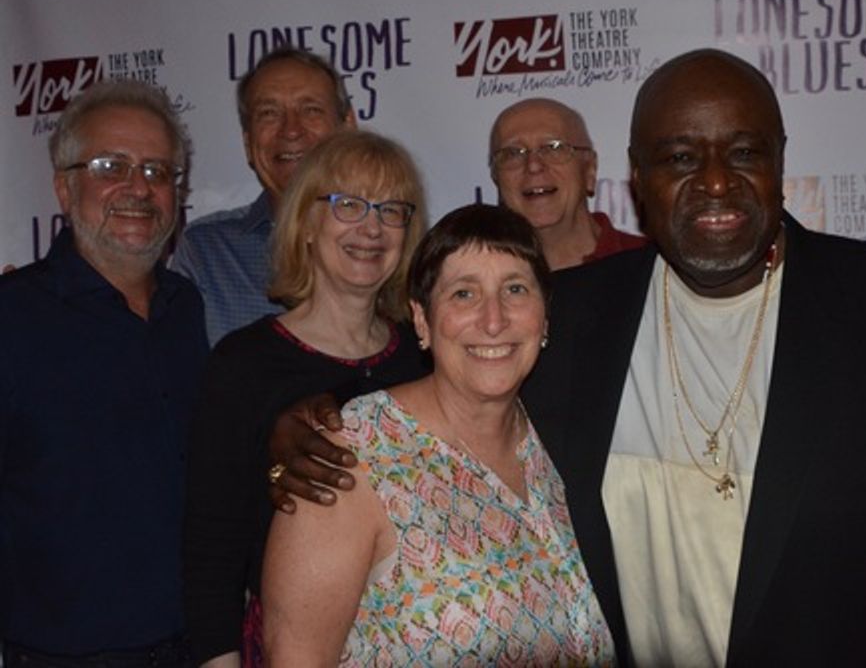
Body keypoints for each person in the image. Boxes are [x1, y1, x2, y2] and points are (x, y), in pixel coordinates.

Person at [269, 50, 866, 666]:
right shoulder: (577, 313)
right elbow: (454, 370)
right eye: (679, 157)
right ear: (638, 175)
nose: (717, 182)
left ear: (781, 159)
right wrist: (319, 416)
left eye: (744, 152)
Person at [261, 204, 615, 665]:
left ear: (545, 318)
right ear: (423, 321)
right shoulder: (351, 457)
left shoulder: (568, 433)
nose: (494, 319)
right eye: (464, 294)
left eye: (515, 288)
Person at [183, 130, 427, 667]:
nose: (372, 226)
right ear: (307, 224)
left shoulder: (426, 356)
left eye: (391, 209)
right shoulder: (242, 364)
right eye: (347, 204)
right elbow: (211, 546)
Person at [0, 81, 206, 665]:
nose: (138, 188)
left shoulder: (186, 308)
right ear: (64, 186)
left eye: (158, 171)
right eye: (110, 166)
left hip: (200, 648)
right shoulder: (11, 318)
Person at [172, 45, 356, 345]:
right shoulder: (207, 253)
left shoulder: (387, 245)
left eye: (311, 110)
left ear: (348, 127)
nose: (291, 130)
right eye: (269, 113)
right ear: (248, 143)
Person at [490, 97, 644, 269]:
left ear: (589, 170)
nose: (533, 165)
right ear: (496, 178)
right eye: (512, 153)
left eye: (553, 148)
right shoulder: (478, 279)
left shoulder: (655, 267)